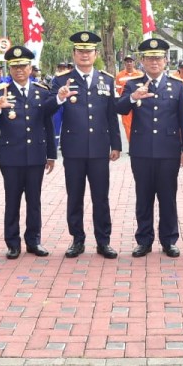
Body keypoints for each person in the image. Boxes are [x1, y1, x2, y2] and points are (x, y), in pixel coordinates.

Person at [116, 37, 183, 258]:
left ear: (166, 60)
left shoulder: (176, 86)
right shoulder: (132, 84)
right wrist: (132, 96)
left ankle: (169, 240)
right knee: (144, 196)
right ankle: (144, 240)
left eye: (158, 58)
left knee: (168, 197)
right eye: (149, 58)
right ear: (142, 61)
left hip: (169, 151)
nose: (154, 62)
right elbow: (119, 108)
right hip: (141, 151)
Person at [51, 31, 122, 258]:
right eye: (80, 51)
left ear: (95, 54)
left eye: (88, 51)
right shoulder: (61, 81)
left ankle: (104, 241)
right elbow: (48, 111)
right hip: (73, 148)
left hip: (100, 148)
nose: (84, 54)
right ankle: (77, 240)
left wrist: (116, 144)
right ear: (73, 54)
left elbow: (112, 115)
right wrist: (59, 97)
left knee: (101, 197)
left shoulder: (107, 80)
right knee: (75, 196)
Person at [0, 45, 57, 259]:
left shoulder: (41, 91)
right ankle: (12, 243)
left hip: (35, 155)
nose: (19, 70)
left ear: (31, 67)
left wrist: (51, 154)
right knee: (12, 200)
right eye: (14, 67)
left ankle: (34, 241)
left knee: (34, 201)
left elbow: (47, 124)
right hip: (11, 157)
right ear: (9, 69)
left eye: (23, 66)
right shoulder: (0, 92)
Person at [114, 54, 142, 144]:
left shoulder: (140, 75)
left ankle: (140, 143)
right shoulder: (119, 76)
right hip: (126, 103)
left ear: (134, 63)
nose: (129, 63)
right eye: (127, 61)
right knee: (127, 125)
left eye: (131, 61)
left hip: (138, 104)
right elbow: (118, 90)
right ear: (124, 63)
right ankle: (132, 144)